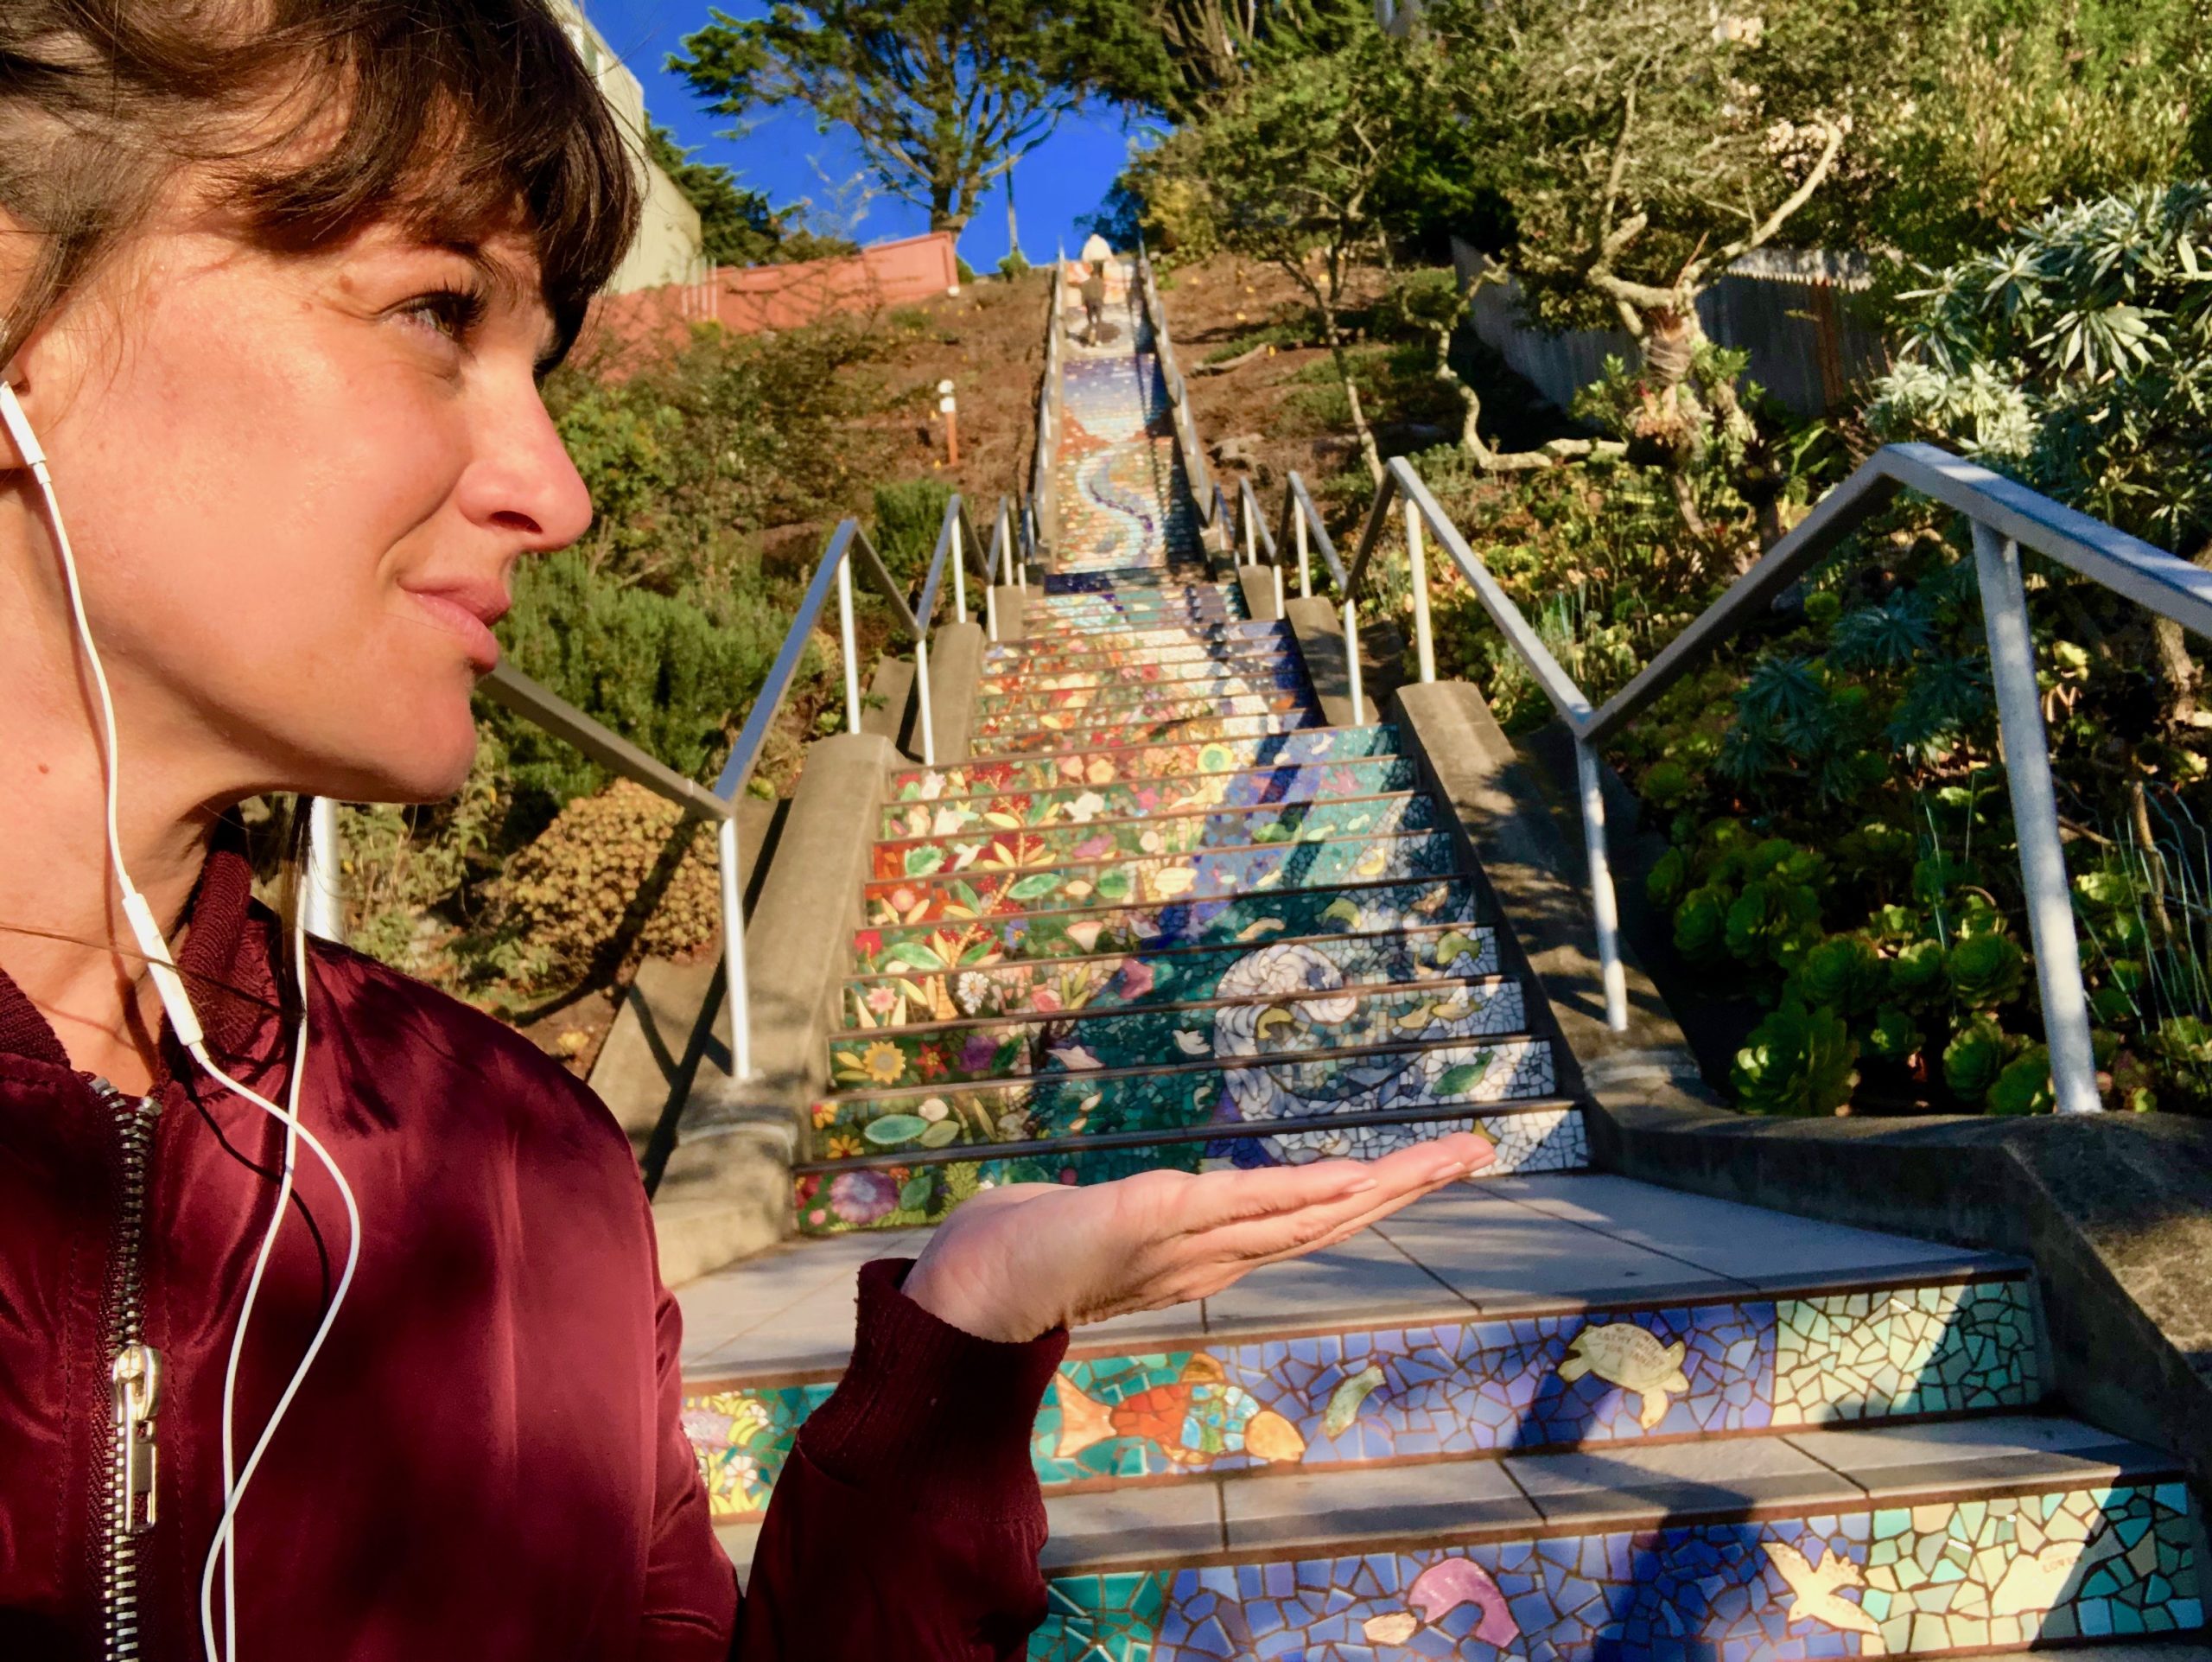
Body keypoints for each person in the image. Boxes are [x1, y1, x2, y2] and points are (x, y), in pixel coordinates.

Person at [0, 5, 1496, 1659]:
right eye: (433, 308)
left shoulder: (527, 1170)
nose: (557, 496)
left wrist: (961, 1342)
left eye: (543, 363)